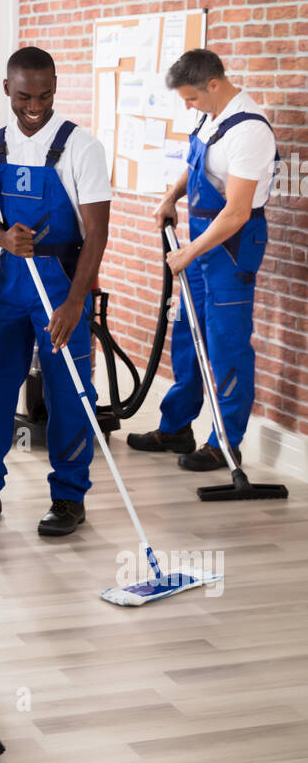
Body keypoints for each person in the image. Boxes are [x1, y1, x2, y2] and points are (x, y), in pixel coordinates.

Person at [0, 46, 111, 536]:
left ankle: (68, 496)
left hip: (63, 281)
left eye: (45, 94)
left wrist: (73, 304)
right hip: (10, 281)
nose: (35, 105)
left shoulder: (81, 147)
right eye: (24, 95)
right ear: (7, 89)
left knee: (68, 392)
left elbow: (98, 233)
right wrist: (3, 237)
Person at [127, 49, 277, 469]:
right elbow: (196, 166)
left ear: (214, 84)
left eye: (191, 98)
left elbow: (237, 211)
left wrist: (189, 252)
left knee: (226, 344)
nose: (187, 106)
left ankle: (225, 444)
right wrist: (171, 197)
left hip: (231, 245)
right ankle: (176, 429)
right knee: (187, 337)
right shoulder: (208, 116)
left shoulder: (250, 132)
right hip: (200, 240)